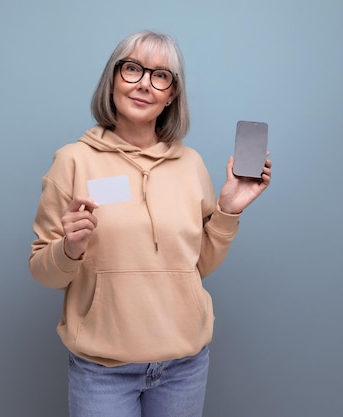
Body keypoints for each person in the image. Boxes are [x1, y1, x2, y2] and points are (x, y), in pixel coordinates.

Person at [28, 30, 272, 417]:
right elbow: (45, 272)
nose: (144, 84)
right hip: (103, 371)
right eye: (132, 69)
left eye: (160, 76)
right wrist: (68, 249)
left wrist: (228, 210)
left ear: (172, 94)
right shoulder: (72, 162)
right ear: (112, 79)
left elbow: (198, 267)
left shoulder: (190, 165)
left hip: (184, 366)